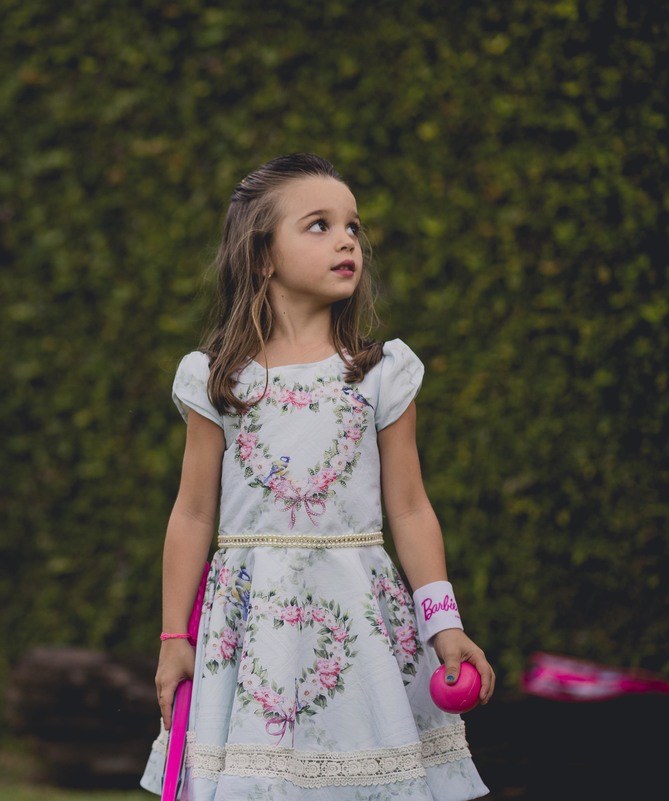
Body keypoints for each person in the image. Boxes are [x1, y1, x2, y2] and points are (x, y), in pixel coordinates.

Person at [138, 153, 495, 800]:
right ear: (262, 257)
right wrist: (173, 638)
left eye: (353, 226)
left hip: (357, 626)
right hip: (251, 637)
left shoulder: (380, 374)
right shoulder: (218, 379)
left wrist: (444, 622)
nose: (346, 240)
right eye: (319, 225)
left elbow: (410, 508)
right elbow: (191, 514)